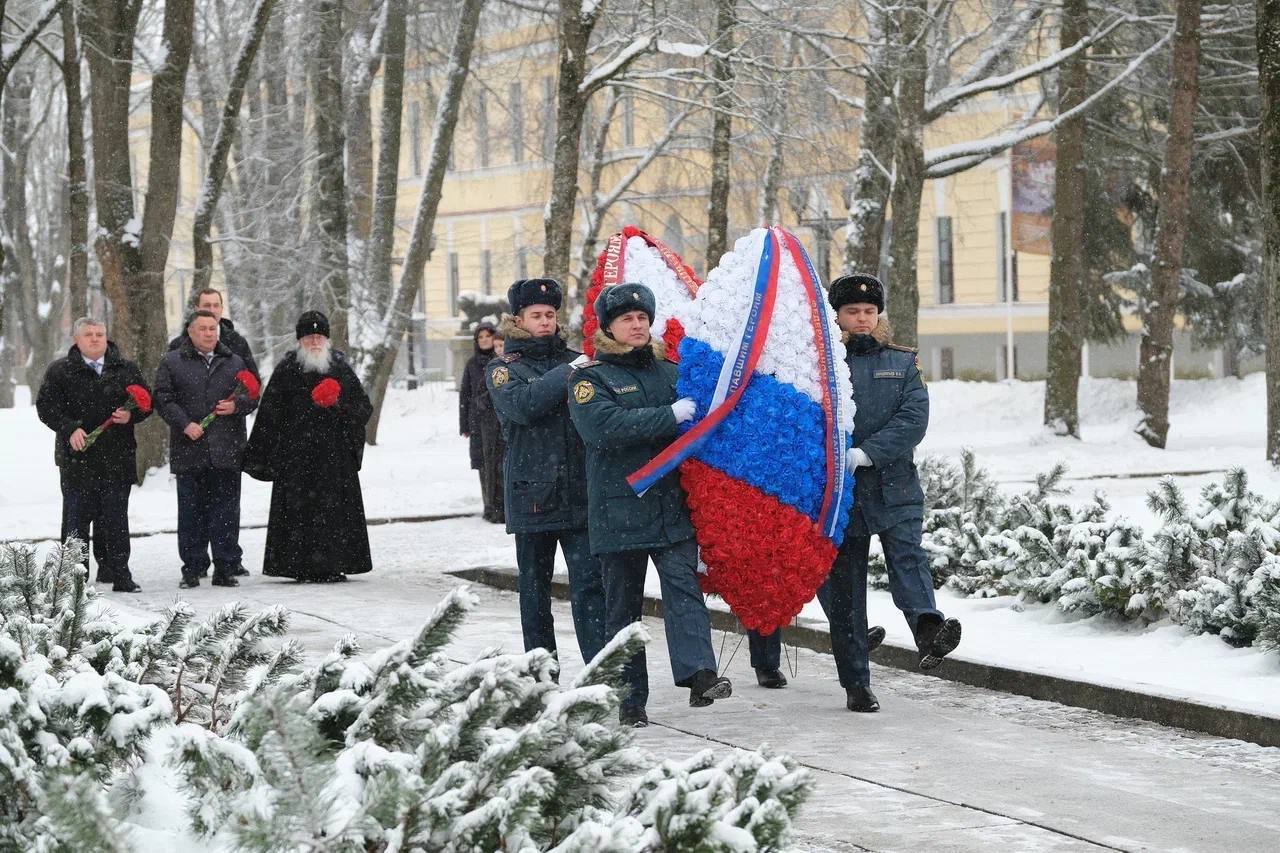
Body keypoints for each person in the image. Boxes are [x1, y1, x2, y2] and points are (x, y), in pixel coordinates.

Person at [756, 273, 962, 713]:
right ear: (837, 316)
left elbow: (913, 420)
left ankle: (928, 629)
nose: (863, 319)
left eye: (870, 312)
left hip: (893, 486)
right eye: (853, 312)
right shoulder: (816, 366)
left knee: (907, 557)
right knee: (846, 591)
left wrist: (868, 452)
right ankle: (856, 683)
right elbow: (796, 420)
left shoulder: (902, 362)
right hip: (839, 496)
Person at [569, 282, 731, 728]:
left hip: (670, 507)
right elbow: (602, 428)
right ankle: (630, 699)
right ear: (608, 327)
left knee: (684, 590)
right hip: (619, 510)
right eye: (627, 319)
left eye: (642, 318)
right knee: (622, 608)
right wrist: (669, 416)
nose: (637, 325)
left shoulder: (672, 371)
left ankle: (700, 675)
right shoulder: (590, 378)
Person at [486, 278, 607, 675]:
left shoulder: (575, 360)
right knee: (535, 592)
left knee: (590, 589)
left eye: (550, 314)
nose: (544, 321)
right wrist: (570, 372)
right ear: (518, 319)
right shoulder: (503, 368)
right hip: (532, 493)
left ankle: (597, 672)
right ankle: (541, 674)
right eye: (536, 315)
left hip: (578, 493)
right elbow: (525, 406)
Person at [243, 311, 373, 582]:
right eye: (309, 337)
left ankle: (334, 563)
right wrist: (264, 453)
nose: (314, 342)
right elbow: (270, 413)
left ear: (326, 338)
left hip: (333, 456)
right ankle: (297, 565)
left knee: (332, 511)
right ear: (300, 340)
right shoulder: (287, 368)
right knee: (299, 512)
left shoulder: (339, 367)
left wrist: (338, 405)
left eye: (319, 336)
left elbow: (362, 407)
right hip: (297, 457)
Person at [35, 317, 152, 592]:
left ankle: (119, 573)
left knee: (116, 519)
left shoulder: (125, 369)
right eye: (89, 334)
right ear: (77, 339)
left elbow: (148, 403)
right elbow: (46, 407)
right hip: (78, 460)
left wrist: (130, 415)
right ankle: (74, 578)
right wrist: (69, 428)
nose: (96, 338)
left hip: (117, 457)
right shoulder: (60, 371)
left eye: (100, 333)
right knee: (76, 520)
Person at [154, 309, 257, 589]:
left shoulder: (234, 361)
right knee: (191, 512)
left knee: (226, 512)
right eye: (203, 329)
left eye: (213, 328)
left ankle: (225, 567)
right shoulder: (173, 361)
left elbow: (252, 395)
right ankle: (193, 567)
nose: (209, 333)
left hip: (226, 449)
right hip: (190, 449)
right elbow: (162, 399)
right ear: (190, 331)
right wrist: (185, 424)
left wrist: (237, 406)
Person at [460, 321, 505, 524]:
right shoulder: (472, 364)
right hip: (478, 423)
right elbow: (466, 394)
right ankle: (489, 504)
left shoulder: (501, 361)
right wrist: (465, 425)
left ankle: (499, 505)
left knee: (498, 464)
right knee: (483, 464)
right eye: (481, 337)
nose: (485, 340)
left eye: (489, 336)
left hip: (498, 423)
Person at [168, 287, 259, 379]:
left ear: (221, 309)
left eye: (216, 305)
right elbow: (166, 386)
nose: (212, 310)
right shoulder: (178, 345)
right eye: (207, 305)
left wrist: (235, 393)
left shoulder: (238, 343)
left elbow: (253, 383)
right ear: (196, 309)